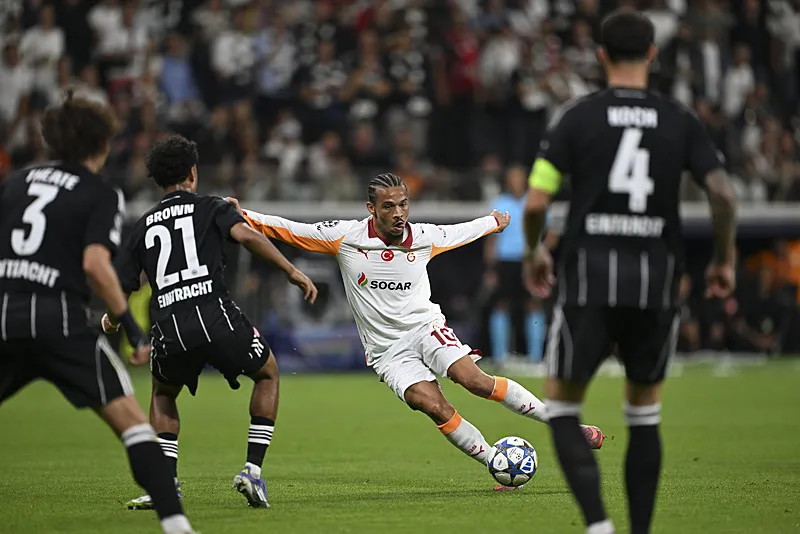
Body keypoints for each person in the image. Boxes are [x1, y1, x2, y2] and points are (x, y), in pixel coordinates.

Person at [227, 172, 605, 492]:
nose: (398, 213)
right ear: (371, 209)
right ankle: (497, 463)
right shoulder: (346, 237)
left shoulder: (423, 237)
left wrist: (492, 222)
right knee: (433, 405)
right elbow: (290, 229)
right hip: (387, 352)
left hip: (427, 329)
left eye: (403, 204)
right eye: (388, 206)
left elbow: (460, 231)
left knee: (474, 381)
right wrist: (243, 214)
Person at [523, 10, 737, 534]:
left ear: (600, 56)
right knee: (644, 415)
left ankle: (599, 525)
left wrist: (534, 252)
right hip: (655, 278)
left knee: (563, 408)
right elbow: (724, 193)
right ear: (653, 55)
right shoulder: (679, 119)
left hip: (589, 277)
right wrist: (726, 258)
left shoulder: (577, 117)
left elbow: (534, 202)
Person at [0, 92, 196, 534]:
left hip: (5, 313)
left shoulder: (14, 183)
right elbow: (95, 265)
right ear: (102, 143)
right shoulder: (99, 193)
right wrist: (132, 328)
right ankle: (177, 525)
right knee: (133, 424)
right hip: (59, 319)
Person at [103, 136, 318, 510]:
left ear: (157, 180)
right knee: (267, 373)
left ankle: (166, 484)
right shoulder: (211, 206)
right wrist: (290, 270)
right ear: (192, 172)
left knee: (163, 393)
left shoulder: (142, 225)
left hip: (169, 324)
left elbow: (126, 283)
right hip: (215, 316)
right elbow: (246, 236)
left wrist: (110, 318)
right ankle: (251, 470)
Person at [485, 166, 555, 364]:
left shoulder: (534, 203)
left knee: (533, 305)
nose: (516, 181)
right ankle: (500, 358)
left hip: (529, 261)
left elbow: (551, 235)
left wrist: (540, 251)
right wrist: (490, 268)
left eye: (519, 177)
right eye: (512, 177)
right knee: (501, 304)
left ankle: (535, 359)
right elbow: (491, 239)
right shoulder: (500, 203)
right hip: (505, 261)